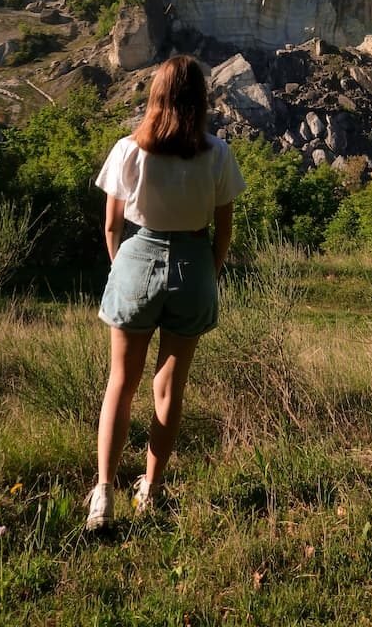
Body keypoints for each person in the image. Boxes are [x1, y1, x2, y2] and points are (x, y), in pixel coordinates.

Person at [85, 54, 245, 530]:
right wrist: (206, 272)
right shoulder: (217, 152)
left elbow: (112, 224)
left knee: (121, 382)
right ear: (201, 98)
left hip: (137, 258)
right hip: (194, 265)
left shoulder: (129, 150)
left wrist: (124, 268)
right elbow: (223, 233)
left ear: (155, 94)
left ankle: (104, 494)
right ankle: (151, 489)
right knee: (168, 388)